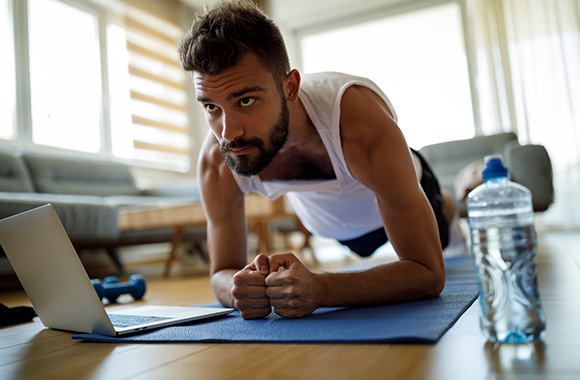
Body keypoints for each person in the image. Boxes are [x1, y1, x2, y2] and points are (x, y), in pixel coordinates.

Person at [178, 0, 453, 320]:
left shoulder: (357, 122)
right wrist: (238, 289)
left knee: (442, 226)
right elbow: (221, 272)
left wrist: (321, 288)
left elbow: (428, 273)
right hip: (332, 227)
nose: (229, 132)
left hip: (403, 198)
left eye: (246, 100)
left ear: (290, 87)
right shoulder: (217, 157)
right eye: (211, 106)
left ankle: (449, 202)